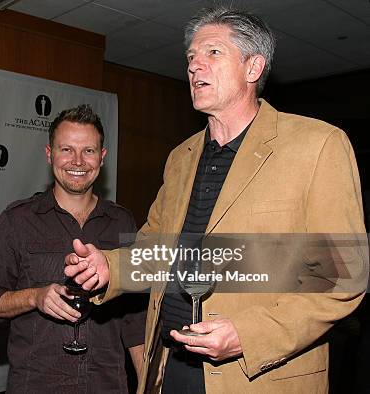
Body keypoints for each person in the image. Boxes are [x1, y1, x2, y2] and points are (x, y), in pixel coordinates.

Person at [64, 6, 368, 394]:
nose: (194, 66)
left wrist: (247, 335)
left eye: (212, 53)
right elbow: (155, 249)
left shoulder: (317, 145)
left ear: (253, 68)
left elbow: (342, 276)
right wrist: (108, 267)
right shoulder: (181, 157)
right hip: (168, 366)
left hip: (256, 376)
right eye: (191, 57)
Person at [0, 104, 146, 393]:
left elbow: (135, 318)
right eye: (67, 150)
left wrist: (146, 384)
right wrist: (35, 297)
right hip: (37, 384)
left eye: (88, 151)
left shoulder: (122, 221)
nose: (78, 161)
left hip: (107, 385)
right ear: (49, 154)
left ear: (102, 158)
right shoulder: (18, 219)